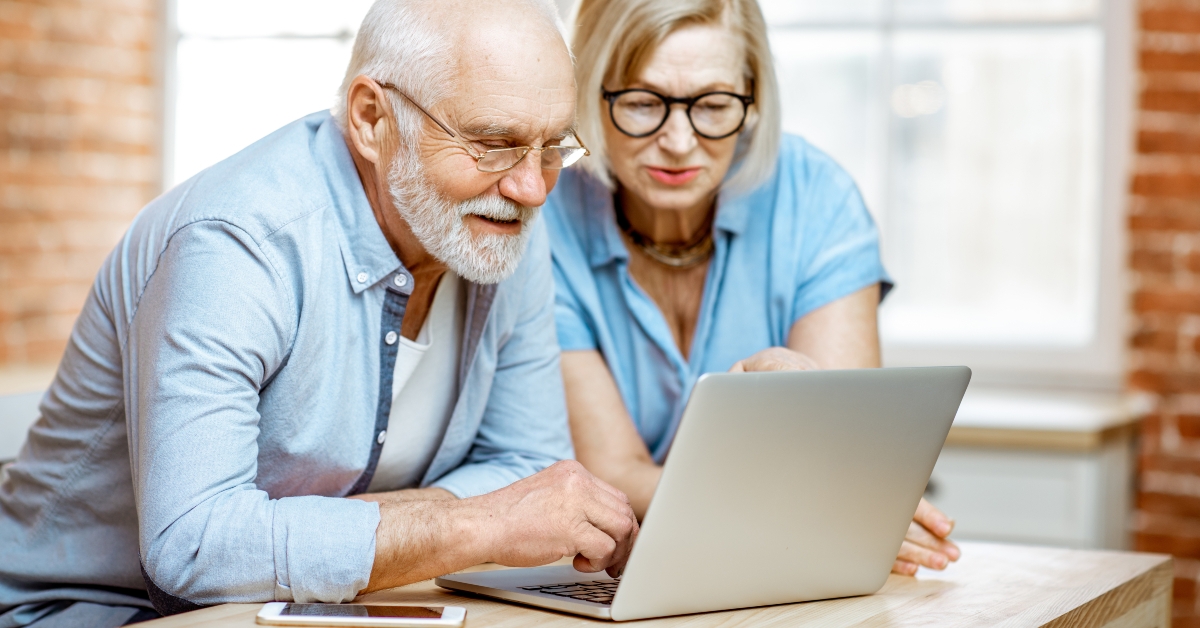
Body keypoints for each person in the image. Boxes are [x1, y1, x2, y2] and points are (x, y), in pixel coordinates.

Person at [0, 1, 639, 626]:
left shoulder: (501, 219)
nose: (531, 188)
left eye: (553, 146)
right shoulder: (235, 242)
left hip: (331, 605)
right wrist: (479, 523)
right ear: (370, 118)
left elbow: (526, 463)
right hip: (93, 612)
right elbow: (194, 546)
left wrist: (348, 535)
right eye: (492, 142)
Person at [545, 0, 958, 577]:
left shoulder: (817, 199)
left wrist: (833, 496)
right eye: (643, 103)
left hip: (781, 568)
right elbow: (612, 474)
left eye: (714, 105)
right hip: (623, 567)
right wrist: (823, 508)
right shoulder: (547, 216)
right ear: (590, 92)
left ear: (754, 99)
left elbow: (834, 452)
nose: (680, 140)